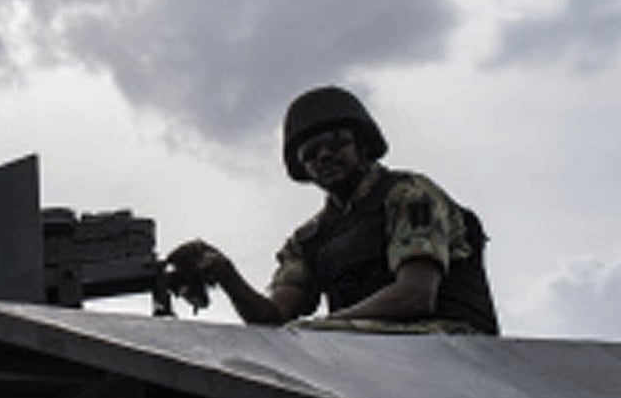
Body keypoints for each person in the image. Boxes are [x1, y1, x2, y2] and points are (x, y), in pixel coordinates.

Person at [170, 86, 499, 334]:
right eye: (310, 153)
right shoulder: (309, 239)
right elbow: (272, 320)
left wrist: (323, 328)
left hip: (452, 345)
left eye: (336, 141)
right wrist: (225, 273)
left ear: (363, 145)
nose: (324, 156)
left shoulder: (409, 195)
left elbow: (415, 295)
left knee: (300, 341)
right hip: (365, 356)